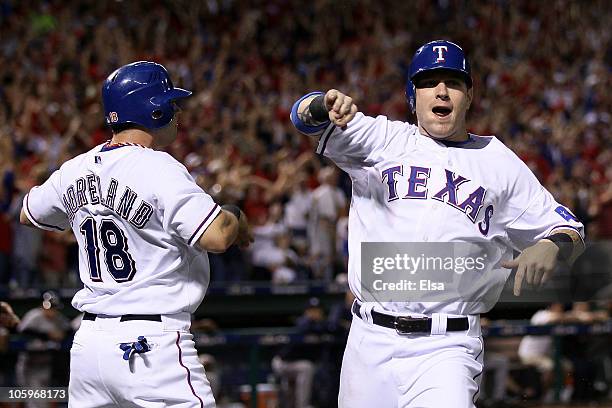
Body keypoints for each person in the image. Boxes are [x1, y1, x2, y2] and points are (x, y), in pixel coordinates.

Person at [289, 40, 585, 407]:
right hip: (369, 342)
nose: (441, 90)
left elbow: (570, 228)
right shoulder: (382, 139)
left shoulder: (499, 162)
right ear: (413, 96)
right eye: (429, 81)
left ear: (469, 95)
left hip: (447, 347)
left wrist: (551, 244)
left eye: (453, 82)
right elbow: (303, 118)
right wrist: (322, 103)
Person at [19, 61, 252, 408]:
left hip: (88, 346)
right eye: (171, 104)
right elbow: (217, 236)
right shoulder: (159, 167)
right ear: (154, 111)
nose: (177, 112)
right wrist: (234, 215)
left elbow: (28, 213)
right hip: (149, 346)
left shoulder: (76, 168)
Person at [16, 291, 71, 408]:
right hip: (29, 363)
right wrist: (47, 335)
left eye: (54, 307)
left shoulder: (59, 319)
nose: (52, 310)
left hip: (46, 363)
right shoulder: (34, 315)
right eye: (50, 307)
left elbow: (69, 329)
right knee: (30, 399)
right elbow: (21, 331)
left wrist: (62, 335)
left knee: (41, 401)